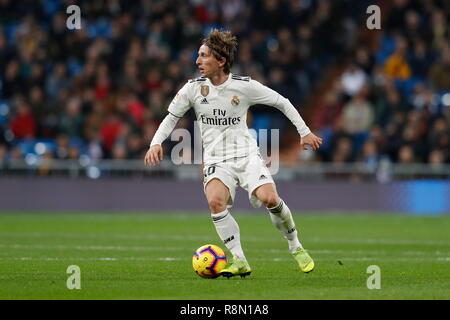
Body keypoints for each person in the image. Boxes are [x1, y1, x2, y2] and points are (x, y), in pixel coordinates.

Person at [144, 29, 323, 278]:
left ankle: (296, 246)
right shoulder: (192, 89)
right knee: (215, 202)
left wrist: (304, 132)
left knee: (270, 199)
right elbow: (171, 117)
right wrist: (156, 143)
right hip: (216, 159)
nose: (197, 61)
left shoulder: (244, 87)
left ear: (221, 61)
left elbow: (282, 101)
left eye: (204, 56)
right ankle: (239, 259)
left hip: (246, 154)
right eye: (198, 55)